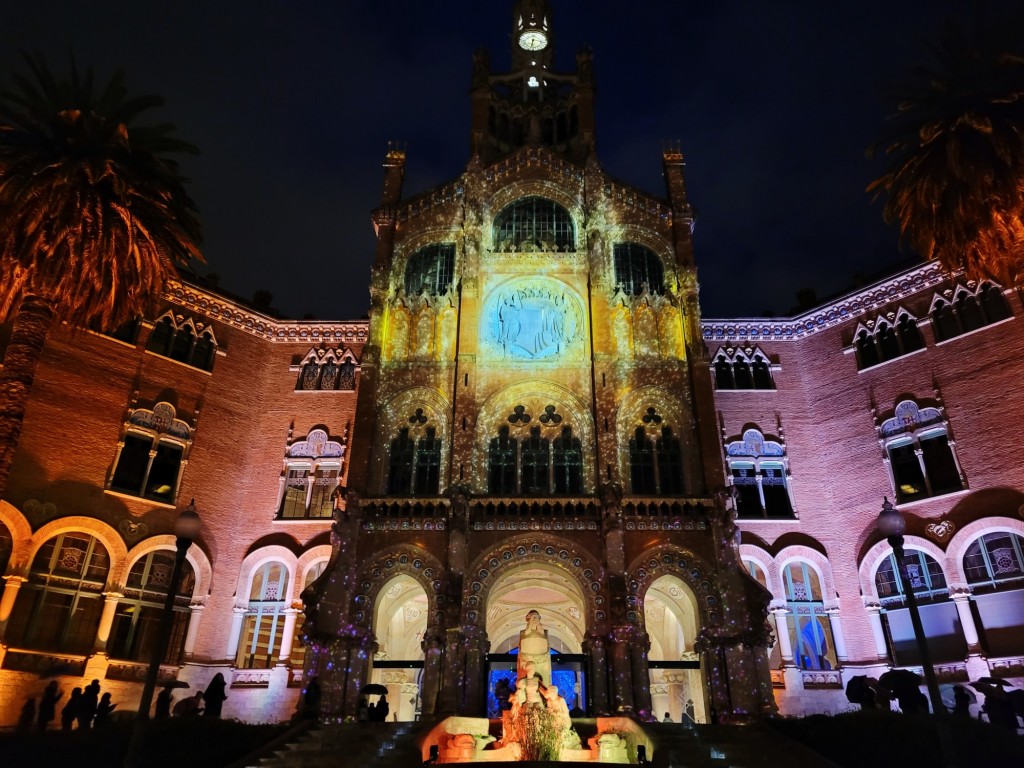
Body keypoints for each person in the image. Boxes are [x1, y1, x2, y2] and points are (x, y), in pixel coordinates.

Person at [517, 610, 551, 689]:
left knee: (545, 681)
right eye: (533, 617)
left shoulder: (544, 633)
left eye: (537, 617)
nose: (535, 619)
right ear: (528, 618)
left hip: (543, 661)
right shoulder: (523, 633)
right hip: (526, 660)